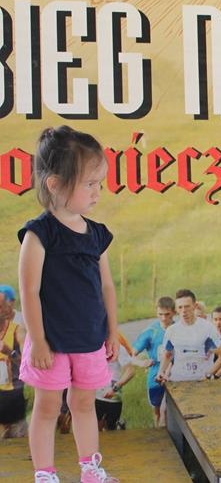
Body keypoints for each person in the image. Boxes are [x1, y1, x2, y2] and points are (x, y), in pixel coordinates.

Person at [18, 125, 120, 482]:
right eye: (89, 184)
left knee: (84, 403)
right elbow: (29, 291)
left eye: (99, 183)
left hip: (90, 340)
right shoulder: (39, 234)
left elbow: (106, 286)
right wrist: (38, 341)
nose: (98, 192)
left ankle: (90, 469)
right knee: (48, 407)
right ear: (55, 184)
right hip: (52, 343)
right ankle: (44, 474)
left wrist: (112, 331)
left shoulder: (97, 234)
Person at [156, 289, 221, 383]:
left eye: (187, 306)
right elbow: (167, 355)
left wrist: (208, 374)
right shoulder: (171, 330)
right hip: (178, 380)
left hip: (201, 382)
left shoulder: (208, 328)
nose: (183, 311)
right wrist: (161, 372)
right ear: (176, 309)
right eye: (180, 307)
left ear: (194, 306)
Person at [131, 296, 175, 427]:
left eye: (167, 314)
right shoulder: (151, 331)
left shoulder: (179, 329)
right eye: (160, 314)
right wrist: (141, 363)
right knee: (157, 411)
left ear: (174, 312)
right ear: (156, 312)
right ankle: (157, 431)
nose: (164, 318)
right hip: (155, 374)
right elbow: (131, 355)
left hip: (176, 373)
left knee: (171, 411)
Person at [95, 335, 136, 431]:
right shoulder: (92, 347)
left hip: (111, 396)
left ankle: (118, 426)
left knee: (110, 431)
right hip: (94, 396)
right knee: (94, 432)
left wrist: (115, 388)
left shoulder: (118, 348)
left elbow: (130, 371)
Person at [1, 294, 27, 439]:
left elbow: (26, 363)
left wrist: (10, 352)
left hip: (13, 396)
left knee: (17, 439)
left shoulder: (17, 330)